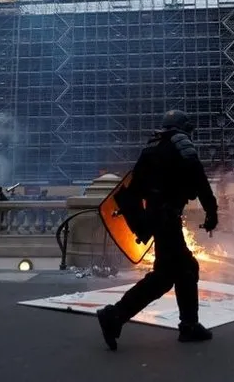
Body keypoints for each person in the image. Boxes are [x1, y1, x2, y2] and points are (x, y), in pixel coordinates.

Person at [97, 110, 218, 350]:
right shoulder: (181, 143)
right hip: (167, 219)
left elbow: (134, 190)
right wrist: (211, 211)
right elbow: (199, 178)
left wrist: (145, 220)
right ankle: (115, 315)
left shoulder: (151, 148)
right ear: (182, 127)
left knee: (180, 270)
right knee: (169, 274)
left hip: (156, 219)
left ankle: (187, 325)